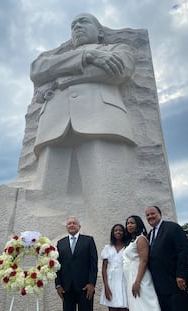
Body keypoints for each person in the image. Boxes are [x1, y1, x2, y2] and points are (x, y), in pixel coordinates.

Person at [30, 13, 138, 209]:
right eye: (73, 25)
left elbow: (117, 71)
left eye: (83, 21)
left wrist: (62, 80)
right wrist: (87, 55)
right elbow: (37, 70)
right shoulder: (55, 58)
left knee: (108, 191)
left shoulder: (117, 48)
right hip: (54, 124)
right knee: (46, 200)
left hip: (102, 120)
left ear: (100, 32)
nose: (77, 26)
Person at [145, 205, 188, 311]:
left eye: (153, 213)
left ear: (160, 214)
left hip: (174, 282)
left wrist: (181, 275)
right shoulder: (150, 234)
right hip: (159, 284)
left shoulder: (172, 228)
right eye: (147, 215)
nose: (150, 216)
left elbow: (183, 251)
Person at [55, 216, 98, 311]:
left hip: (85, 287)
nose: (71, 225)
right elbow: (57, 265)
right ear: (66, 227)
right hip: (67, 288)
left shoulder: (88, 240)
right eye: (69, 223)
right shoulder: (60, 243)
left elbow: (93, 264)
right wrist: (58, 285)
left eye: (74, 223)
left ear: (79, 226)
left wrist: (91, 283)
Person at [123, 215, 160, 310]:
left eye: (132, 223)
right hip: (131, 275)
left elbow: (144, 261)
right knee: (135, 302)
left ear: (138, 224)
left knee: (144, 301)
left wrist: (138, 282)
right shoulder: (131, 241)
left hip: (140, 276)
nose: (129, 225)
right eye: (127, 223)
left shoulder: (141, 239)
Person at [100, 224, 128, 311]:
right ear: (112, 233)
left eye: (120, 230)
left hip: (125, 280)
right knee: (112, 307)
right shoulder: (107, 248)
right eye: (115, 230)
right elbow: (104, 269)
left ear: (124, 233)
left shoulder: (128, 247)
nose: (118, 232)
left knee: (125, 307)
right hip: (111, 282)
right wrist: (106, 287)